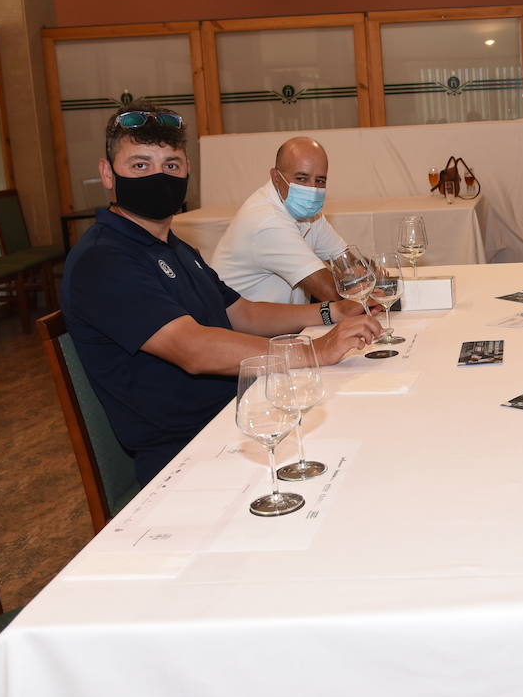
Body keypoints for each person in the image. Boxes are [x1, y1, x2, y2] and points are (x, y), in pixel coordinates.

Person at [62, 103, 381, 485]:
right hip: (188, 455)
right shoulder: (104, 260)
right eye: (140, 165)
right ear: (107, 174)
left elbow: (241, 313)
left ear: (187, 173)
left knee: (373, 431)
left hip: (237, 416)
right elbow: (194, 349)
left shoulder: (174, 248)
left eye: (172, 165)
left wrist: (331, 313)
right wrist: (314, 352)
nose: (159, 176)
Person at [211, 136, 346, 303]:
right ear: (276, 177)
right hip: (247, 328)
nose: (312, 189)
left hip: (288, 323)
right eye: (301, 179)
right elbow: (331, 292)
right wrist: (369, 289)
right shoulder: (267, 221)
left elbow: (347, 262)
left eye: (320, 180)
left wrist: (369, 277)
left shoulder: (308, 214)